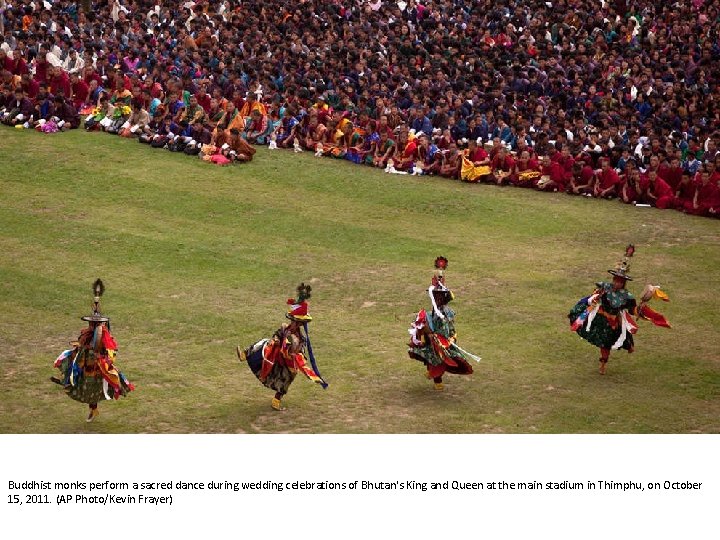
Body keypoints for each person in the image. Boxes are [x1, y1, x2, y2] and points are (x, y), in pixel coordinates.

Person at [568, 245, 670, 375]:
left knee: (606, 344)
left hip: (613, 322)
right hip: (599, 317)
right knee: (594, 334)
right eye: (616, 280)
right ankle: (602, 362)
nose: (617, 283)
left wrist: (639, 309)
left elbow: (632, 309)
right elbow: (594, 296)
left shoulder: (627, 296)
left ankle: (603, 363)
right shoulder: (605, 287)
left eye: (620, 282)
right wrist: (595, 297)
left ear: (623, 283)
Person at [51, 280, 134, 421]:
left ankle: (94, 407)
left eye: (93, 323)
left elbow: (111, 350)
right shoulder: (87, 332)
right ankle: (67, 382)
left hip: (97, 366)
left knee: (93, 388)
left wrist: (104, 358)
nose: (91, 324)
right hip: (84, 361)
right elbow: (83, 343)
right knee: (68, 361)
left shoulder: (104, 334)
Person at [236, 284, 327, 410]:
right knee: (262, 344)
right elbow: (278, 334)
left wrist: (293, 349)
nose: (293, 323)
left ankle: (276, 401)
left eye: (296, 322)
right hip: (277, 352)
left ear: (300, 323)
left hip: (287, 360)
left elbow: (295, 350)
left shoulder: (298, 337)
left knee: (286, 379)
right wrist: (276, 340)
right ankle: (244, 355)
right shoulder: (287, 329)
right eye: (293, 321)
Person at [408, 257, 480, 390]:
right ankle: (435, 378)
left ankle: (437, 378)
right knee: (430, 357)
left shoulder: (448, 313)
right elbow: (424, 328)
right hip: (432, 341)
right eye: (436, 296)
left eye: (439, 296)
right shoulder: (429, 314)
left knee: (442, 359)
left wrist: (449, 340)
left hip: (444, 342)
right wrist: (426, 336)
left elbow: (451, 330)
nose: (437, 299)